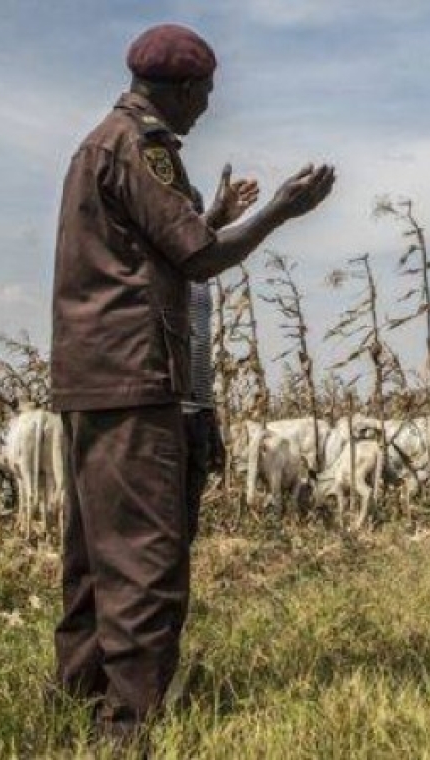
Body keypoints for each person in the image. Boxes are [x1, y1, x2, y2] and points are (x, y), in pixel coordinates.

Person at [50, 23, 336, 743]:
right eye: (203, 94)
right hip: (136, 380)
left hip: (93, 380)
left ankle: (75, 705)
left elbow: (157, 252)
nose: (205, 108)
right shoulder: (142, 146)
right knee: (147, 559)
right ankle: (127, 731)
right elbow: (200, 259)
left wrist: (212, 218)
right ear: (177, 89)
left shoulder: (101, 145)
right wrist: (282, 210)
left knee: (93, 560)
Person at [184, 170, 260, 545]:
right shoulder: (163, 271)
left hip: (196, 408)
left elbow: (201, 349)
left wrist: (208, 411)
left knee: (186, 527)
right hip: (166, 411)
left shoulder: (202, 280)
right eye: (192, 218)